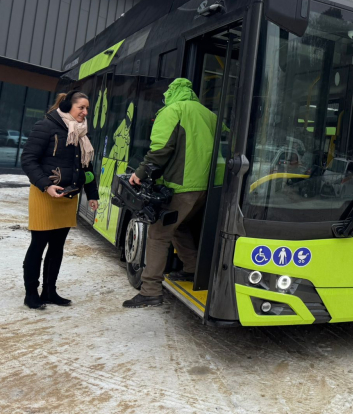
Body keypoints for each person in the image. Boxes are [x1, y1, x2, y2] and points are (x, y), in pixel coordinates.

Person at [122, 78, 217, 309]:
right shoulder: (210, 115)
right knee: (179, 226)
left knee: (158, 235)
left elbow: (160, 149)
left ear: (172, 93)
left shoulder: (172, 111)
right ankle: (192, 269)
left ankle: (150, 291)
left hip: (180, 186)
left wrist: (140, 174)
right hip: (205, 187)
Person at [20, 91, 100, 309]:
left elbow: (87, 166)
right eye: (81, 108)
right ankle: (31, 294)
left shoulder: (81, 133)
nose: (85, 112)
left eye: (87, 109)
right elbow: (28, 159)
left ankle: (49, 291)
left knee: (57, 247)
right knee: (39, 245)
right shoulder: (45, 126)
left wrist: (92, 194)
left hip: (68, 196)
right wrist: (45, 184)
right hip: (45, 195)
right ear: (67, 106)